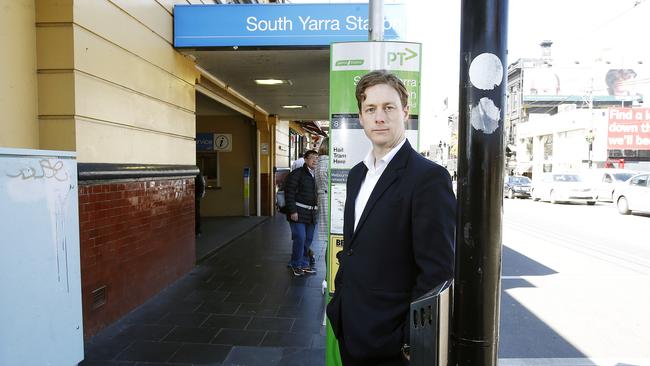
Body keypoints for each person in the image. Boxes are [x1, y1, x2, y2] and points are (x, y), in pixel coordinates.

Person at [326, 70, 456, 365]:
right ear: (361, 117)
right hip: (350, 329)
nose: (379, 117)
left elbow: (438, 273)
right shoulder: (357, 175)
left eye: (388, 107)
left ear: (405, 113)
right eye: (370, 109)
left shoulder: (428, 178)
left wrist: (408, 340)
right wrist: (339, 304)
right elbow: (354, 246)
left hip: (391, 345)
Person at [284, 150, 319, 277]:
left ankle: (304, 264)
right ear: (305, 159)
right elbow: (289, 193)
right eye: (312, 158)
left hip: (312, 213)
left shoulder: (318, 175)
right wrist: (292, 211)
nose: (315, 160)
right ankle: (296, 264)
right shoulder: (297, 174)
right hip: (298, 212)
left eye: (317, 158)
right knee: (300, 237)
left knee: (308, 239)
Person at [315, 137, 330, 266]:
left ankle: (328, 273)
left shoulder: (319, 162)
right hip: (329, 198)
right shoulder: (330, 162)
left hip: (321, 198)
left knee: (328, 240)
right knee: (332, 238)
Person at [195, 169, 206, 236]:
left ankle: (198, 230)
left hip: (196, 197)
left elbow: (201, 185)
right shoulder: (199, 174)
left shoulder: (198, 174)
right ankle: (197, 230)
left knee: (196, 213)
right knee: (196, 213)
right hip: (197, 196)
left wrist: (198, 197)